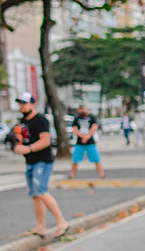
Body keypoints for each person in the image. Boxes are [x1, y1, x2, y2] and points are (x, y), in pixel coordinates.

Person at [12, 92, 69, 239]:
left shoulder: (40, 120)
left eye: (24, 103)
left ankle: (62, 222)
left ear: (33, 104)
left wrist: (28, 148)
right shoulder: (24, 121)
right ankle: (40, 226)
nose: (22, 107)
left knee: (42, 192)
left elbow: (46, 141)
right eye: (20, 104)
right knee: (36, 195)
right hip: (30, 161)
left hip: (42, 162)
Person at [69, 104, 105, 179]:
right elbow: (75, 129)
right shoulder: (76, 118)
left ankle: (102, 175)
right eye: (80, 109)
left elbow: (94, 128)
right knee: (75, 160)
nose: (82, 111)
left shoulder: (92, 118)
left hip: (90, 143)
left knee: (96, 159)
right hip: (79, 143)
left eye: (83, 109)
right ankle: (71, 176)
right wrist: (82, 136)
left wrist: (87, 136)